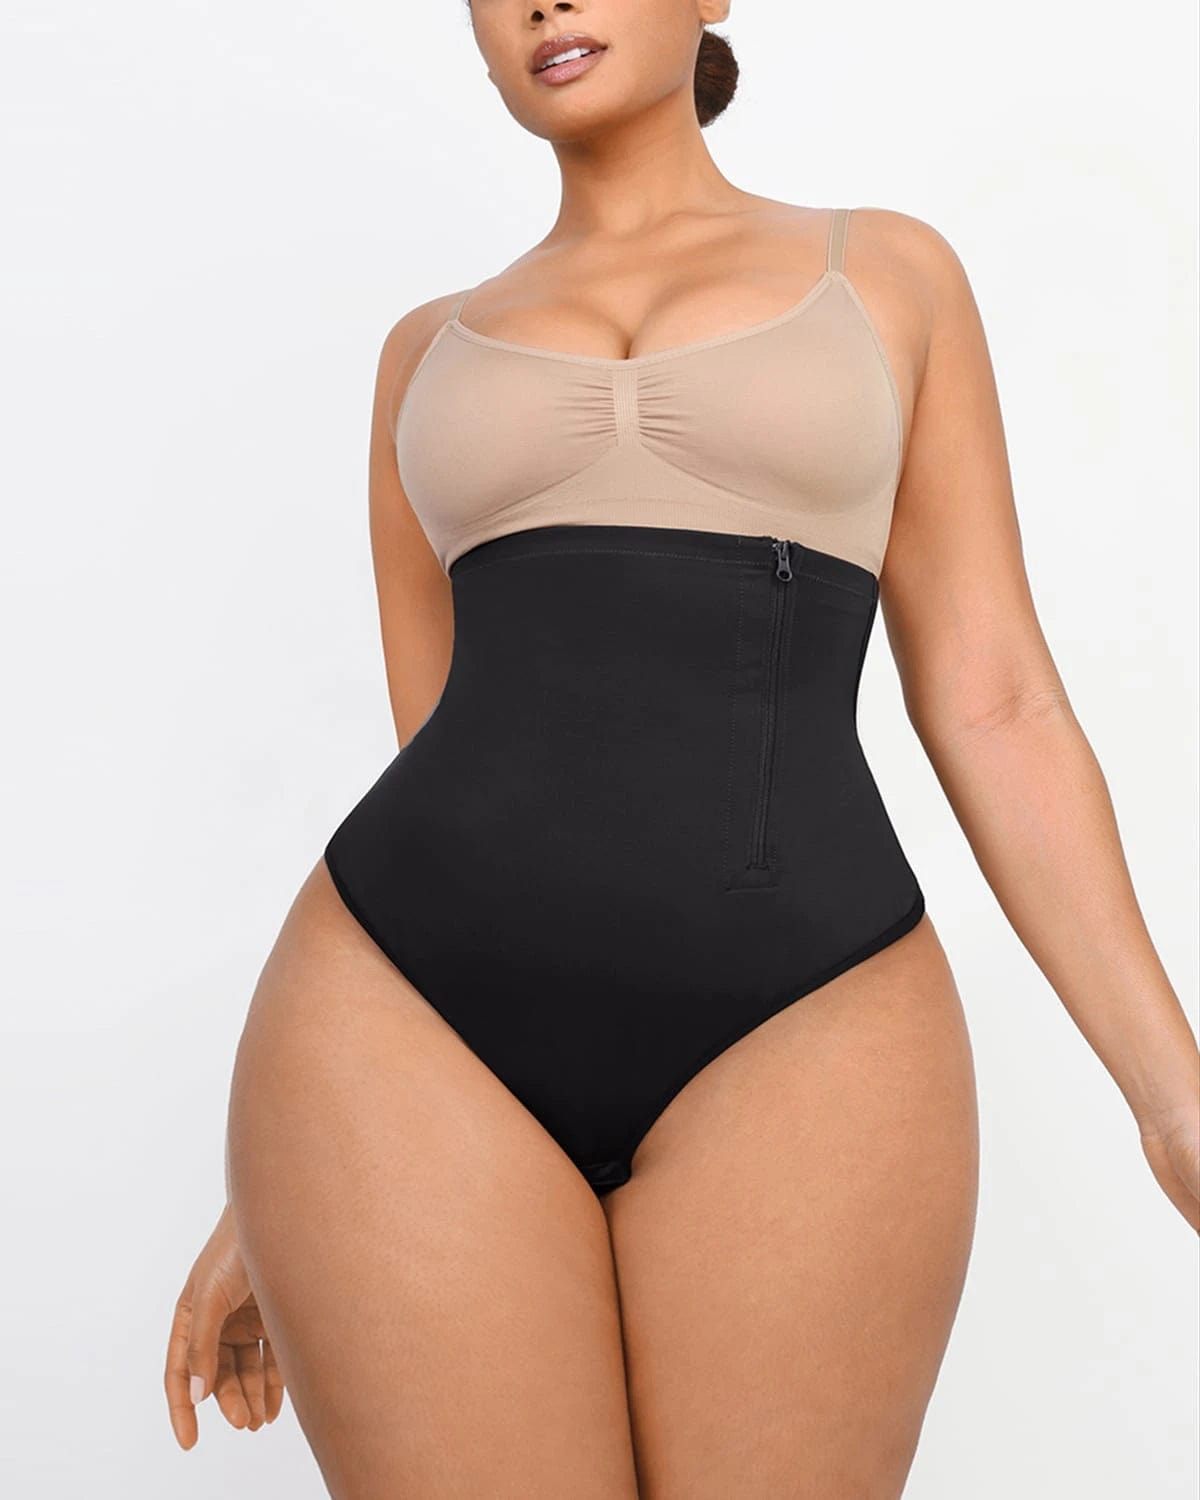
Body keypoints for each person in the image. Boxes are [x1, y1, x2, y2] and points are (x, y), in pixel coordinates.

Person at [163, 3, 1200, 1495]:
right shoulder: (420, 355)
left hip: (807, 1010)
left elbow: (995, 699)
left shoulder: (885, 272)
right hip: (399, 1025)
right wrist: (264, 1197)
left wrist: (1170, 1096)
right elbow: (436, 740)